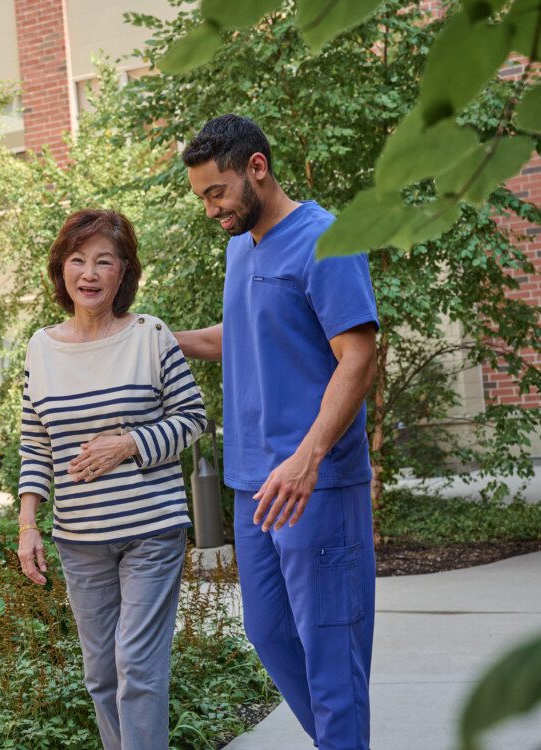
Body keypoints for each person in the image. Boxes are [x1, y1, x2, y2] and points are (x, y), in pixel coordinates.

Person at [174, 114, 379, 750]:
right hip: (254, 484)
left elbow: (359, 356)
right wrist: (149, 337)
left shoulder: (327, 240)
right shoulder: (242, 250)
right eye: (202, 196)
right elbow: (231, 338)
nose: (212, 209)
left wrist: (307, 458)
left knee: (330, 648)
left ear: (256, 168)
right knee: (268, 632)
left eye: (217, 192)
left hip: (315, 483)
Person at [16, 208, 207, 750]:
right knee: (101, 674)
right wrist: (29, 524)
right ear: (62, 271)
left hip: (151, 529)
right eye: (78, 260)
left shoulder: (151, 335)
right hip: (79, 540)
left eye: (104, 261)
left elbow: (193, 417)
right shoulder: (41, 347)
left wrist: (130, 443)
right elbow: (35, 443)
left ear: (124, 272)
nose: (90, 272)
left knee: (137, 668)